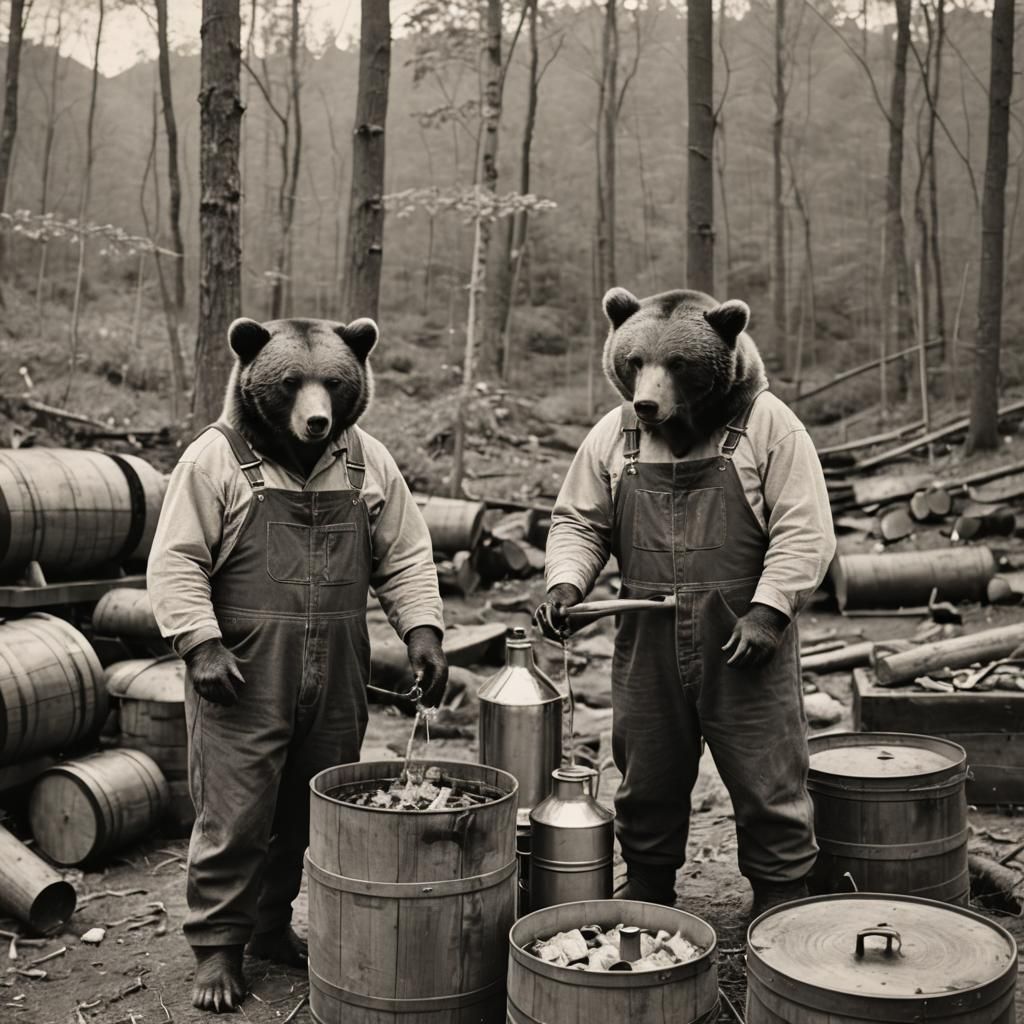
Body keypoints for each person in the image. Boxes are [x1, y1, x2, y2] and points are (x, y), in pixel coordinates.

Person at [536, 286, 835, 919]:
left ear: (723, 348)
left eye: (672, 369)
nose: (648, 389)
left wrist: (770, 610)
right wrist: (566, 582)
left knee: (768, 776)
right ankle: (649, 887)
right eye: (637, 366)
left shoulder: (768, 424)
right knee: (645, 776)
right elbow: (579, 523)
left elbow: (804, 531)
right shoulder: (614, 433)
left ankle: (781, 899)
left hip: (745, 636)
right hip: (646, 641)